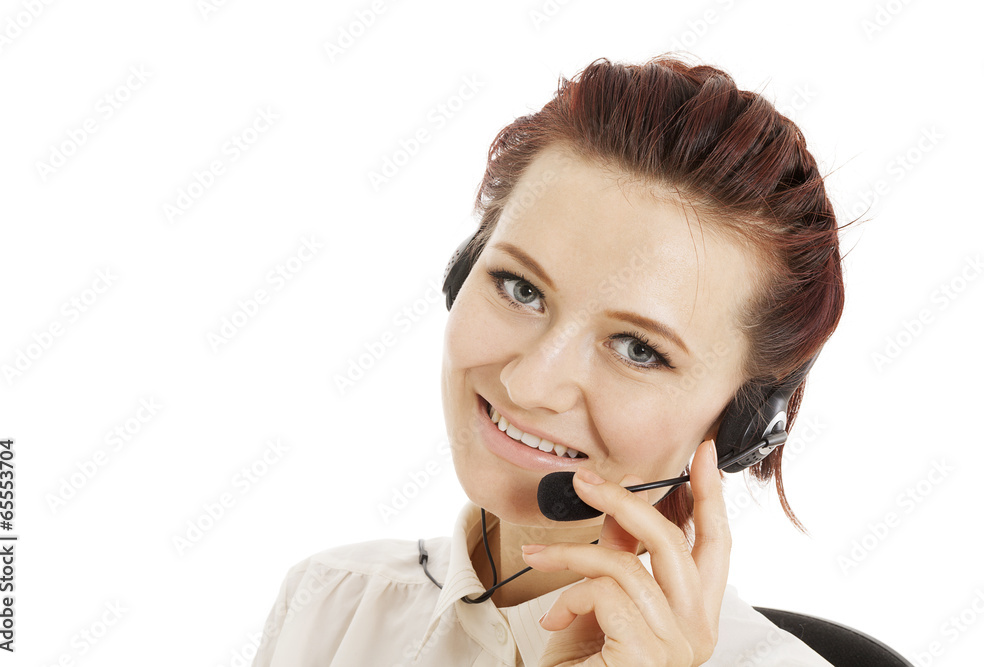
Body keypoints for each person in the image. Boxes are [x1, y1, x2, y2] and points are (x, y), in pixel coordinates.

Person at [251, 54, 845, 666]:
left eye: (639, 349)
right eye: (520, 288)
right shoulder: (331, 606)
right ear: (463, 273)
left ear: (744, 426)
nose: (530, 383)